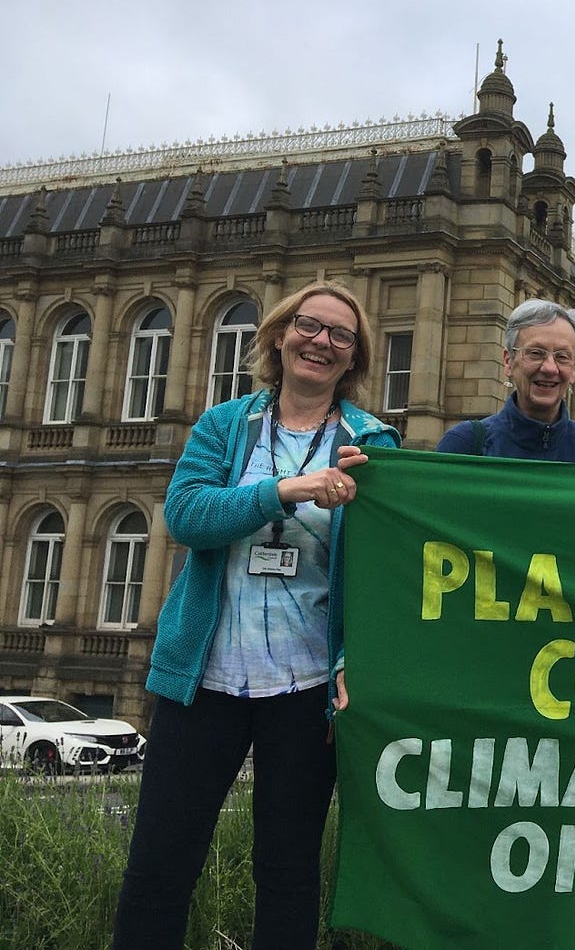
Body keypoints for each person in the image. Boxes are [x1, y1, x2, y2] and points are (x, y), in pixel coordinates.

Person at [113, 281, 399, 949]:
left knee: (288, 870)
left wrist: (356, 662)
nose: (321, 341)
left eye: (340, 336)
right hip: (201, 679)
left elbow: (382, 575)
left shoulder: (372, 442)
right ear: (277, 335)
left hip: (304, 688)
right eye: (308, 325)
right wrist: (284, 490)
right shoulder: (224, 425)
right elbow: (185, 517)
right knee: (160, 863)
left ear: (353, 359)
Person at [436, 298, 575, 481]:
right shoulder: (464, 444)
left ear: (573, 369)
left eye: (562, 356)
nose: (549, 368)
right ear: (508, 362)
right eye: (535, 353)